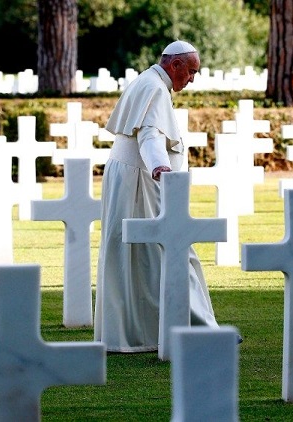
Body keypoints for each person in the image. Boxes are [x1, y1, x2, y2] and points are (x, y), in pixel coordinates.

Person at [93, 40, 221, 353]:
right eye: (190, 71)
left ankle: (148, 330)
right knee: (164, 250)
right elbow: (150, 135)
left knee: (141, 255)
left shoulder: (148, 82)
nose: (191, 79)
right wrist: (160, 166)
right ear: (174, 64)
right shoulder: (153, 87)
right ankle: (198, 328)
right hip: (140, 180)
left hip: (132, 176)